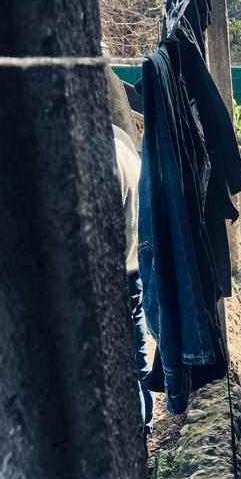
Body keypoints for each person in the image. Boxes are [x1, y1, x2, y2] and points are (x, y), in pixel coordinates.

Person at [113, 121, 153, 436]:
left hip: (114, 279)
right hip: (135, 269)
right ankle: (146, 426)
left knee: (120, 369)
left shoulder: (95, 154)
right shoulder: (121, 139)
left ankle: (136, 437)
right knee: (138, 362)